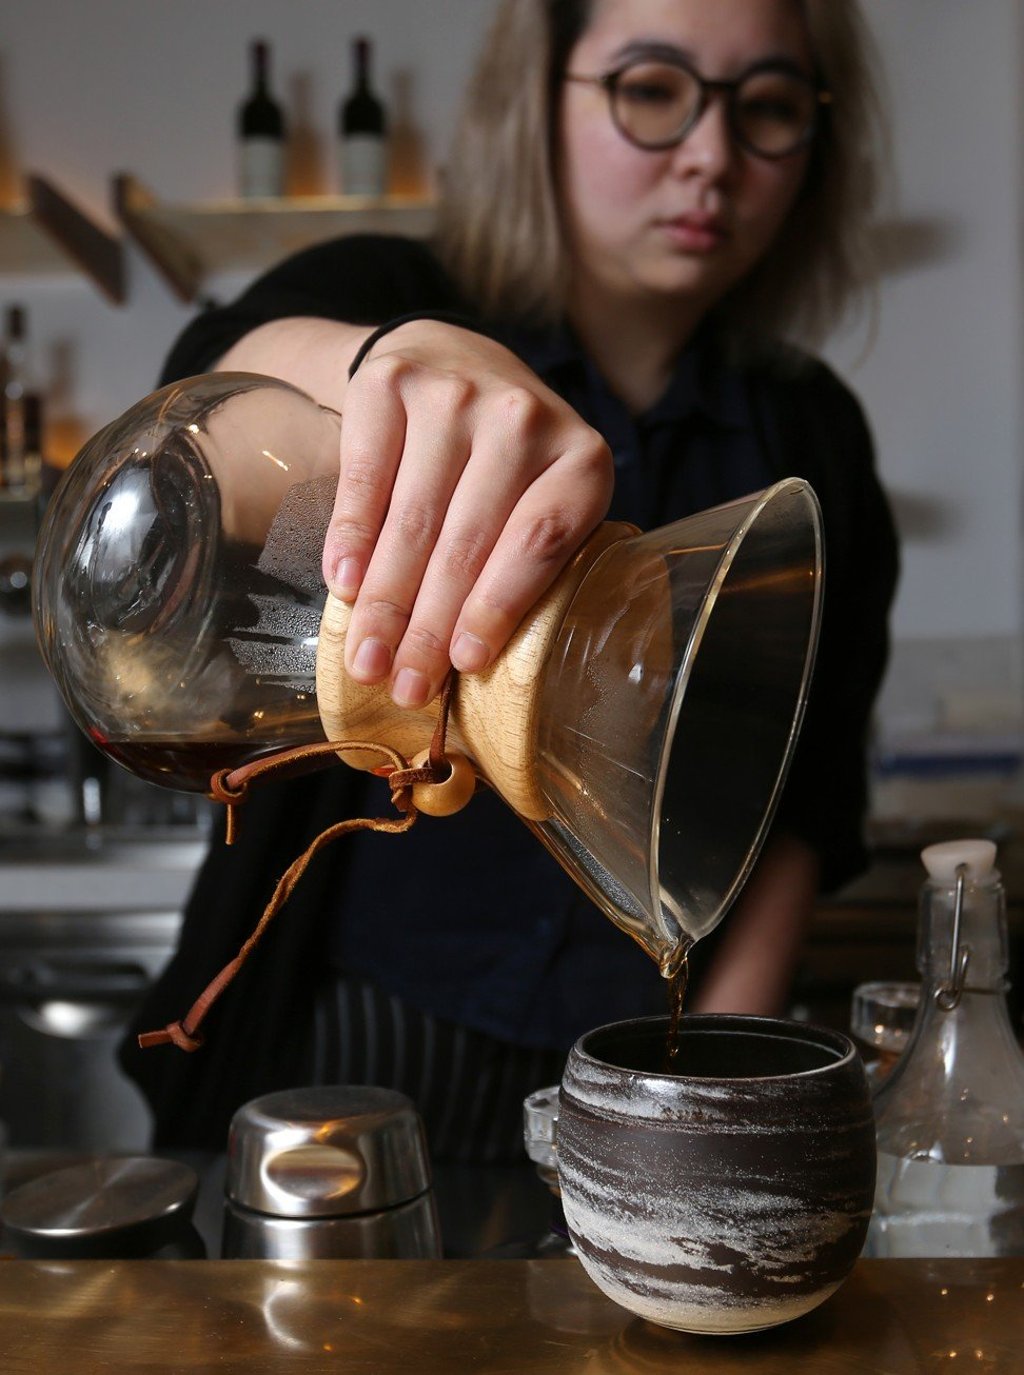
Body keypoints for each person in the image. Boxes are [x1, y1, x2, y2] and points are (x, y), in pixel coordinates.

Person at [120, 0, 899, 1161]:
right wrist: (388, 363)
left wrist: (710, 1092)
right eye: (650, 88)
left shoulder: (811, 433)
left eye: (771, 107)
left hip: (633, 1051)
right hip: (358, 1020)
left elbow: (800, 810)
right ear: (536, 103)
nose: (710, 155)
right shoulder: (393, 287)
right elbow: (204, 389)